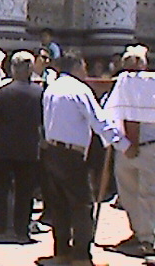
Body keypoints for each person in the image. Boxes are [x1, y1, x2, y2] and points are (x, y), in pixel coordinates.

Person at [38, 51, 133, 266]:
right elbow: (98, 121)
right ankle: (81, 256)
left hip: (51, 150)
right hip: (71, 154)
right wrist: (123, 144)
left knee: (59, 205)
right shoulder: (79, 90)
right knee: (82, 205)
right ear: (77, 66)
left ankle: (61, 251)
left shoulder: (52, 88)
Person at [0, 51, 43, 244]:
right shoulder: (39, 93)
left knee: (0, 191)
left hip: (3, 147)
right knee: (25, 192)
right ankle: (21, 230)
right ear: (30, 69)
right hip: (28, 149)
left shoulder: (2, 92)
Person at [106, 44, 155, 258]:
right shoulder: (121, 84)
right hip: (125, 147)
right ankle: (138, 231)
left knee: (147, 194)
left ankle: (150, 237)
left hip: (148, 147)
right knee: (127, 193)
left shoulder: (150, 85)